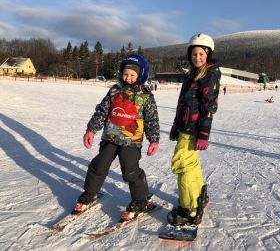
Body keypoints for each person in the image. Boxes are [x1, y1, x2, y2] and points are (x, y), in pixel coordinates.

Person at [73, 54, 160, 221]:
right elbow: (102, 111)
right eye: (126, 74)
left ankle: (141, 201)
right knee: (98, 166)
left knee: (130, 171)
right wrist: (91, 130)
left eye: (132, 75)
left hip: (131, 141)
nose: (128, 78)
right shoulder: (114, 90)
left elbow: (152, 120)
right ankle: (90, 193)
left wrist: (154, 140)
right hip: (110, 138)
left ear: (140, 75)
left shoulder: (146, 96)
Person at [167, 33, 221, 226]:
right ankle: (198, 197)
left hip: (194, 129)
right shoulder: (191, 75)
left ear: (208, 54)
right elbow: (183, 103)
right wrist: (176, 125)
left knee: (182, 163)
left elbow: (209, 106)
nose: (197, 58)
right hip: (185, 126)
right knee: (191, 163)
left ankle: (189, 209)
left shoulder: (209, 75)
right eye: (193, 54)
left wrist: (204, 134)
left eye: (201, 54)